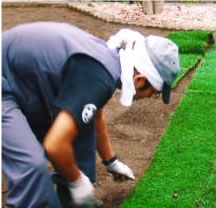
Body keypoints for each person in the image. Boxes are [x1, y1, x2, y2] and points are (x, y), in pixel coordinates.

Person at [2, 22, 180, 208]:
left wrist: (111, 161)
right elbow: (54, 145)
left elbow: (94, 115)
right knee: (32, 169)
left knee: (81, 128)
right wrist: (78, 182)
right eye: (154, 93)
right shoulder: (100, 77)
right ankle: (66, 193)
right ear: (140, 79)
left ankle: (70, 201)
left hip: (25, 81)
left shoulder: (109, 63)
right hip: (5, 81)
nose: (150, 97)